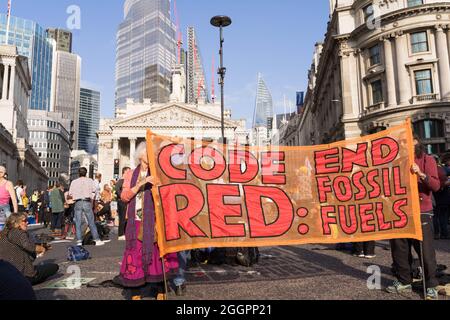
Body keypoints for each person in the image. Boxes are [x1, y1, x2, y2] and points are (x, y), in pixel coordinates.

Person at [114, 142, 178, 299]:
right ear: (140, 156)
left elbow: (166, 195)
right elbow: (124, 197)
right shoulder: (130, 174)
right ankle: (135, 291)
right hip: (135, 221)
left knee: (157, 256)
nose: (151, 155)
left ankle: (160, 290)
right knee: (135, 256)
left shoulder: (158, 173)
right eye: (148, 152)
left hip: (154, 221)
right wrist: (142, 182)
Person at [386, 136, 440, 300]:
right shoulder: (397, 162)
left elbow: (436, 186)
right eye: (402, 142)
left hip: (422, 211)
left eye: (409, 141)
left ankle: (430, 285)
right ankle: (404, 280)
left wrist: (420, 173)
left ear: (417, 142)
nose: (405, 144)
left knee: (425, 250)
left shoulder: (427, 159)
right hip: (400, 211)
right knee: (399, 248)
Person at [0, 213, 59, 285]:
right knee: (54, 267)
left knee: (38, 267)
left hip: (6, 273)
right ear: (16, 223)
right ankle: (29, 281)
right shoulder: (18, 232)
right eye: (24, 221)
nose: (27, 222)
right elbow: (28, 246)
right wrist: (41, 248)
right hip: (22, 274)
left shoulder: (3, 234)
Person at [68, 168, 106, 247]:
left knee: (78, 222)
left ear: (78, 173)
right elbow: (94, 191)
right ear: (86, 173)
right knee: (91, 221)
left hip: (78, 202)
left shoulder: (74, 182)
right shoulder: (90, 181)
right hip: (87, 201)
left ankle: (79, 240)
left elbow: (70, 193)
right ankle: (97, 239)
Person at [433, 156, 450, 240]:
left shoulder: (430, 170)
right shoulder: (442, 169)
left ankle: (437, 233)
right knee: (443, 216)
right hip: (443, 196)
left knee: (435, 216)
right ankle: (444, 233)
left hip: (435, 196)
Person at [116, 167, 131, 240]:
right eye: (128, 171)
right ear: (124, 172)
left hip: (126, 200)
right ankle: (121, 234)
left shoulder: (127, 180)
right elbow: (117, 188)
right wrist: (122, 196)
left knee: (126, 218)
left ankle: (125, 232)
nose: (130, 172)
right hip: (122, 201)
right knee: (122, 218)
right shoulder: (121, 180)